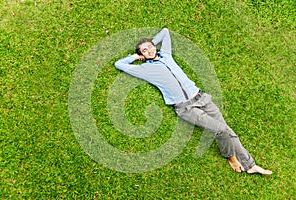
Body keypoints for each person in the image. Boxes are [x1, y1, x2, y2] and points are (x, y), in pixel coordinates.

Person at [114, 28, 272, 175]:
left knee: (228, 131)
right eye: (144, 50)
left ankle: (250, 165)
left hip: (202, 98)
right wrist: (134, 57)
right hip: (187, 108)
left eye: (150, 47)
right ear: (141, 55)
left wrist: (152, 43)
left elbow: (165, 32)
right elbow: (119, 64)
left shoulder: (166, 55)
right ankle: (230, 157)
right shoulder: (145, 69)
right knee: (222, 130)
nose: (149, 50)